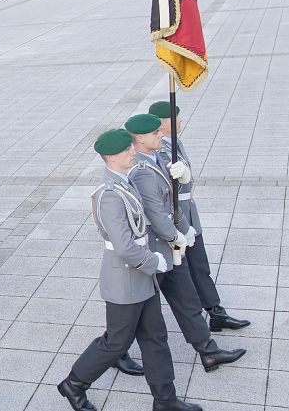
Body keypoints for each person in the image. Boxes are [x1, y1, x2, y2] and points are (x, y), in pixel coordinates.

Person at [58, 129, 199, 411]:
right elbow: (123, 246)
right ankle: (74, 383)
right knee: (116, 342)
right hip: (125, 279)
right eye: (126, 151)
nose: (132, 151)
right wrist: (154, 262)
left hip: (142, 277)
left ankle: (165, 400)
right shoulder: (108, 194)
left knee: (155, 338)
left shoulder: (125, 182)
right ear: (111, 157)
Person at [124, 114, 246, 372]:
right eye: (156, 133)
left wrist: (184, 229)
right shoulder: (143, 171)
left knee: (187, 300)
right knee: (133, 313)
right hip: (156, 253)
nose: (161, 136)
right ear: (141, 138)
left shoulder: (157, 158)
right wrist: (176, 235)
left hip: (170, 250)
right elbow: (157, 213)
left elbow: (174, 200)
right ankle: (113, 351)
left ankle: (208, 351)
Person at [148, 102, 249, 332]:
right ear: (160, 123)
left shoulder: (174, 142)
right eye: (175, 118)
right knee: (154, 285)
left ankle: (215, 311)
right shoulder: (160, 150)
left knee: (199, 265)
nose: (180, 121)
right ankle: (117, 340)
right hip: (174, 218)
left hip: (187, 214)